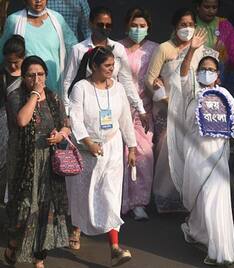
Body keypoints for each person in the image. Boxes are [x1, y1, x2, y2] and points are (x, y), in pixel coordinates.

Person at [179, 29, 234, 266]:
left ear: (218, 75)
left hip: (218, 156)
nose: (207, 73)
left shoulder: (223, 94)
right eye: (203, 69)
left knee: (215, 201)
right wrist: (191, 50)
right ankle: (199, 233)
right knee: (199, 200)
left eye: (211, 70)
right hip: (195, 155)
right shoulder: (193, 92)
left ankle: (219, 250)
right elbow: (183, 73)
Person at [68, 46, 136, 267]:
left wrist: (132, 147)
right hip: (86, 151)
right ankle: (76, 228)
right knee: (83, 194)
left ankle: (115, 248)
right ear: (94, 66)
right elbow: (75, 118)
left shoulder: (117, 89)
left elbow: (125, 118)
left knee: (110, 195)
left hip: (113, 148)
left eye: (113, 65)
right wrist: (87, 141)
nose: (111, 69)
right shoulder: (81, 88)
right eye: (107, 65)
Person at [4, 55, 70, 268]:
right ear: (24, 78)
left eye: (40, 74)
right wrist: (33, 95)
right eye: (31, 75)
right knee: (24, 210)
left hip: (49, 164)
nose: (37, 79)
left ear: (46, 75)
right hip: (24, 165)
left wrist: (60, 135)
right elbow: (22, 120)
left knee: (45, 209)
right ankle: (14, 244)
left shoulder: (53, 98)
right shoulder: (16, 96)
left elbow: (66, 125)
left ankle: (38, 259)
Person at [145, 8, 214, 213]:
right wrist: (165, 100)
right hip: (167, 110)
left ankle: (188, 200)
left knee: (190, 154)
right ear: (175, 27)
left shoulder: (202, 50)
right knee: (168, 151)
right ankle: (164, 199)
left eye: (190, 24)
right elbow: (150, 80)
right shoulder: (164, 49)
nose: (187, 28)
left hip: (193, 111)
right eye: (183, 24)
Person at [63, 6, 146, 122]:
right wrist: (67, 111)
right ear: (91, 24)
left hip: (113, 103)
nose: (104, 28)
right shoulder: (78, 49)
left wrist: (140, 109)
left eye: (108, 25)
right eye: (100, 25)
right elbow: (68, 81)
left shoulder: (118, 49)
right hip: (87, 106)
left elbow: (126, 80)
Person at [119, 7, 158, 220]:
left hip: (144, 112)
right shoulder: (116, 48)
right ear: (127, 25)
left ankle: (139, 202)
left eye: (142, 26)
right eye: (134, 25)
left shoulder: (155, 49)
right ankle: (119, 202)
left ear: (148, 27)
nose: (138, 29)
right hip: (119, 111)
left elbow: (160, 75)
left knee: (144, 157)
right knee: (120, 157)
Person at [0, 0, 77, 95]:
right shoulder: (14, 20)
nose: (38, 1)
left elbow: (73, 46)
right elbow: (3, 51)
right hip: (25, 86)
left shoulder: (57, 19)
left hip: (54, 84)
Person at [194, 0, 234, 91]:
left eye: (214, 7)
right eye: (207, 7)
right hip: (195, 74)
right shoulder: (190, 23)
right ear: (198, 7)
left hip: (221, 76)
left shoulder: (224, 25)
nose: (211, 11)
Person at [0, 35, 25, 206]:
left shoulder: (29, 75)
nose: (13, 66)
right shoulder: (1, 73)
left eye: (16, 62)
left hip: (21, 125)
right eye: (9, 62)